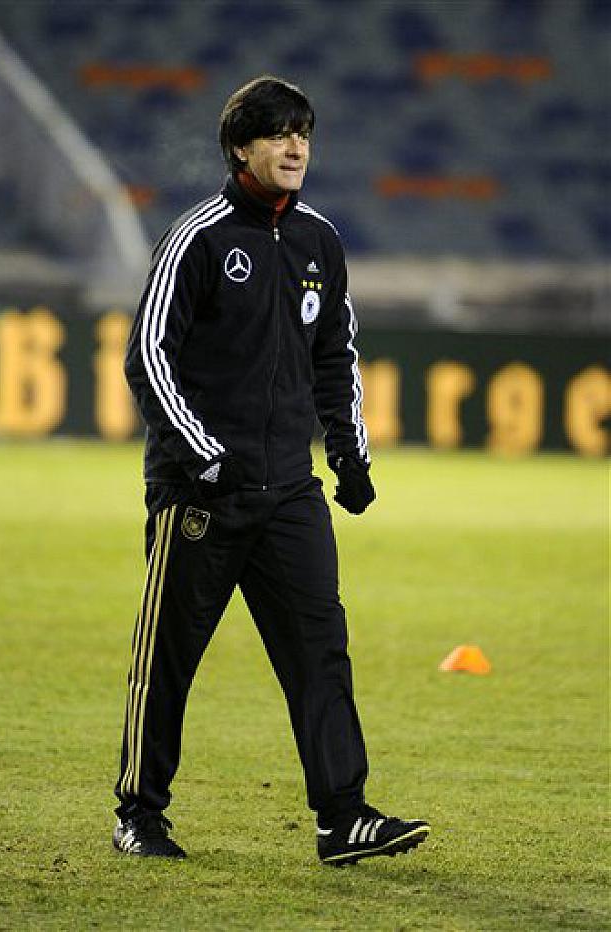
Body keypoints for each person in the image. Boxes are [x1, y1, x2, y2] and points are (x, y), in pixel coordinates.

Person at [112, 75, 430, 866]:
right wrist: (204, 456)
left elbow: (335, 356)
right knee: (169, 659)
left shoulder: (320, 241)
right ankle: (139, 815)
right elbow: (147, 355)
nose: (295, 147)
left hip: (290, 491)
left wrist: (348, 452)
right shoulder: (198, 238)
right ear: (239, 148)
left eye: (304, 134)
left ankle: (343, 817)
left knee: (321, 651)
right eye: (279, 133)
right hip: (201, 495)